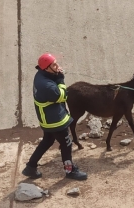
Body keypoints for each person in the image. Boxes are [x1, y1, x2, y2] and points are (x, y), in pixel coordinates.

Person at [22, 53, 87, 181]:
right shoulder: (46, 86)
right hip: (55, 121)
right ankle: (70, 171)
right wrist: (61, 79)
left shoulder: (41, 75)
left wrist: (56, 75)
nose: (57, 66)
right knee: (66, 144)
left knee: (48, 141)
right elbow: (62, 95)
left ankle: (30, 167)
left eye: (56, 63)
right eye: (54, 65)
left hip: (47, 117)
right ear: (46, 68)